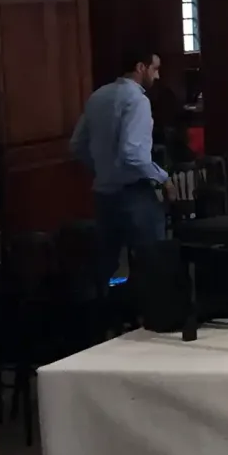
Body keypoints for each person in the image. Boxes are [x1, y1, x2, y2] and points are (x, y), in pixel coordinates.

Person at [70, 47, 173, 284]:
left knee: (106, 263)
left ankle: (107, 316)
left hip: (103, 193)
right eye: (155, 69)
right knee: (151, 260)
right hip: (134, 193)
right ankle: (149, 314)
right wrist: (162, 178)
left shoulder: (98, 96)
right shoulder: (137, 100)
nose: (157, 77)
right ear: (141, 67)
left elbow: (77, 144)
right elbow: (133, 154)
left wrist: (102, 168)